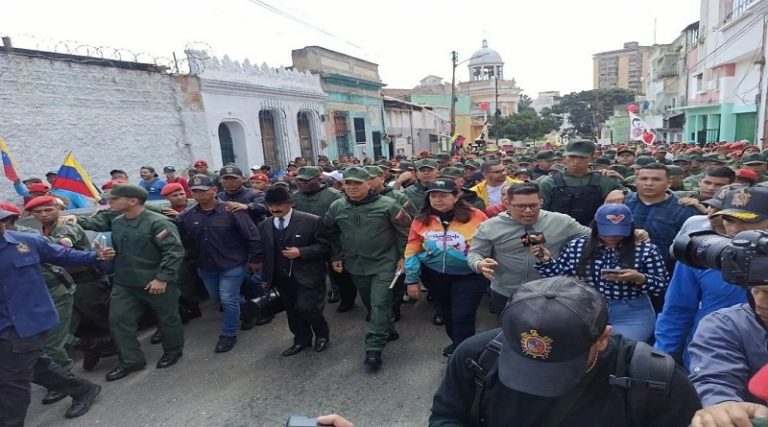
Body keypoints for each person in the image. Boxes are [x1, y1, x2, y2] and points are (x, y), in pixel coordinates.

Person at [429, 276, 701, 427]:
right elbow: (447, 416)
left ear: (603, 338)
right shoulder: (476, 356)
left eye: (559, 364)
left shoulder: (654, 380)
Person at [0, 208, 111, 424]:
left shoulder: (26, 241)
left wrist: (95, 256)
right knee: (35, 365)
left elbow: (62, 255)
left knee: (11, 382)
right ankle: (83, 389)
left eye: (2, 220)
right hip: (3, 323)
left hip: (27, 322)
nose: (2, 224)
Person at [533, 204, 668, 342]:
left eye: (618, 232)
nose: (612, 237)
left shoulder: (646, 250)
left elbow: (661, 286)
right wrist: (547, 261)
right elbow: (560, 279)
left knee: (619, 349)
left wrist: (639, 278)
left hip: (630, 312)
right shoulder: (577, 246)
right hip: (586, 308)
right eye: (606, 231)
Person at [92, 184, 186, 381]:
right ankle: (131, 360)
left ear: (133, 201)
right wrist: (109, 254)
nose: (110, 202)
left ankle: (173, 351)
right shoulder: (118, 222)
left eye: (115, 199)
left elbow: (174, 251)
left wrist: (162, 278)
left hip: (156, 280)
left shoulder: (158, 223)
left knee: (167, 319)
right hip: (125, 282)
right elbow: (124, 249)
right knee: (119, 320)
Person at [324, 167, 411, 369]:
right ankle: (388, 328)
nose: (352, 187)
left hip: (385, 262)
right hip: (356, 264)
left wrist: (403, 256)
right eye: (348, 183)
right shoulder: (337, 206)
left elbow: (406, 231)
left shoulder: (388, 204)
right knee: (370, 304)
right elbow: (330, 232)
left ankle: (374, 348)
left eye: (357, 183)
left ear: (368, 184)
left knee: (379, 302)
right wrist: (336, 255)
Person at [467, 183, 591, 316]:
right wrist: (479, 264)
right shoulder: (489, 227)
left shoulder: (562, 222)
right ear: (507, 204)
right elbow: (475, 253)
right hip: (507, 292)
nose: (528, 211)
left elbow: (593, 237)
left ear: (541, 202)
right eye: (520, 206)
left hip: (550, 293)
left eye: (533, 205)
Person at [177, 175, 262, 353]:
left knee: (228, 299)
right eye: (194, 191)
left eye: (203, 190)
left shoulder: (232, 210)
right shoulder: (188, 215)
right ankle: (248, 310)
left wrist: (255, 259)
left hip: (233, 264)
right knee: (218, 298)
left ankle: (228, 334)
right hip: (206, 267)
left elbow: (252, 235)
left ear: (214, 190)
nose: (198, 195)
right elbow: (181, 236)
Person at [404, 178, 489, 357]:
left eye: (443, 195)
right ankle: (457, 344)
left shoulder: (476, 216)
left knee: (463, 315)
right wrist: (411, 279)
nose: (437, 200)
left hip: (470, 275)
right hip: (435, 276)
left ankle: (464, 355)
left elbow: (490, 243)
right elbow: (412, 248)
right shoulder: (421, 219)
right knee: (448, 313)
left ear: (456, 196)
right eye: (433, 196)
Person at [258, 186, 331, 356]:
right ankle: (301, 339)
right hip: (281, 278)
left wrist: (301, 252)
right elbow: (265, 254)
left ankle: (322, 334)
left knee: (308, 308)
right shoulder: (264, 225)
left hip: (308, 275)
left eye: (279, 204)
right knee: (292, 311)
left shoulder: (311, 221)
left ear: (290, 203)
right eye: (270, 205)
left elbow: (325, 247)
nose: (274, 208)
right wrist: (266, 278)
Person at [621, 163, 699, 273]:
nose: (648, 183)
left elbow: (690, 247)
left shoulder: (684, 210)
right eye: (643, 179)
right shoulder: (621, 202)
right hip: (621, 268)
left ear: (669, 183)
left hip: (664, 272)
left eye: (656, 179)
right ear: (636, 181)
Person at [292, 166, 351, 308]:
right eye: (300, 180)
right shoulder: (294, 197)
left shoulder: (334, 195)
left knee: (339, 271)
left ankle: (346, 299)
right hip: (307, 241)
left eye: (307, 180)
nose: (303, 183)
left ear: (319, 179)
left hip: (332, 238)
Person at [538, 140, 624, 225]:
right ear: (564, 157)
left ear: (592, 158)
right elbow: (540, 214)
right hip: (559, 230)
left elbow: (628, 197)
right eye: (572, 156)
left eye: (582, 157)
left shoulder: (605, 181)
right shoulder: (549, 183)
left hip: (596, 230)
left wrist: (620, 192)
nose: (576, 161)